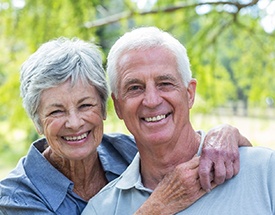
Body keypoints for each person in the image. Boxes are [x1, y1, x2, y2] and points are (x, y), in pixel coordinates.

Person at [0, 37, 250, 215]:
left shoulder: (128, 150)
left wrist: (225, 133)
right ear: (37, 121)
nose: (75, 123)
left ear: (106, 108)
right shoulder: (14, 198)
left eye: (86, 105)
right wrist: (159, 206)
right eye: (56, 111)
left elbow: (198, 149)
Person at [82, 26, 275, 215]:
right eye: (135, 88)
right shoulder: (100, 209)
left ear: (190, 94)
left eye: (165, 84)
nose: (151, 100)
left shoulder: (265, 170)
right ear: (117, 106)